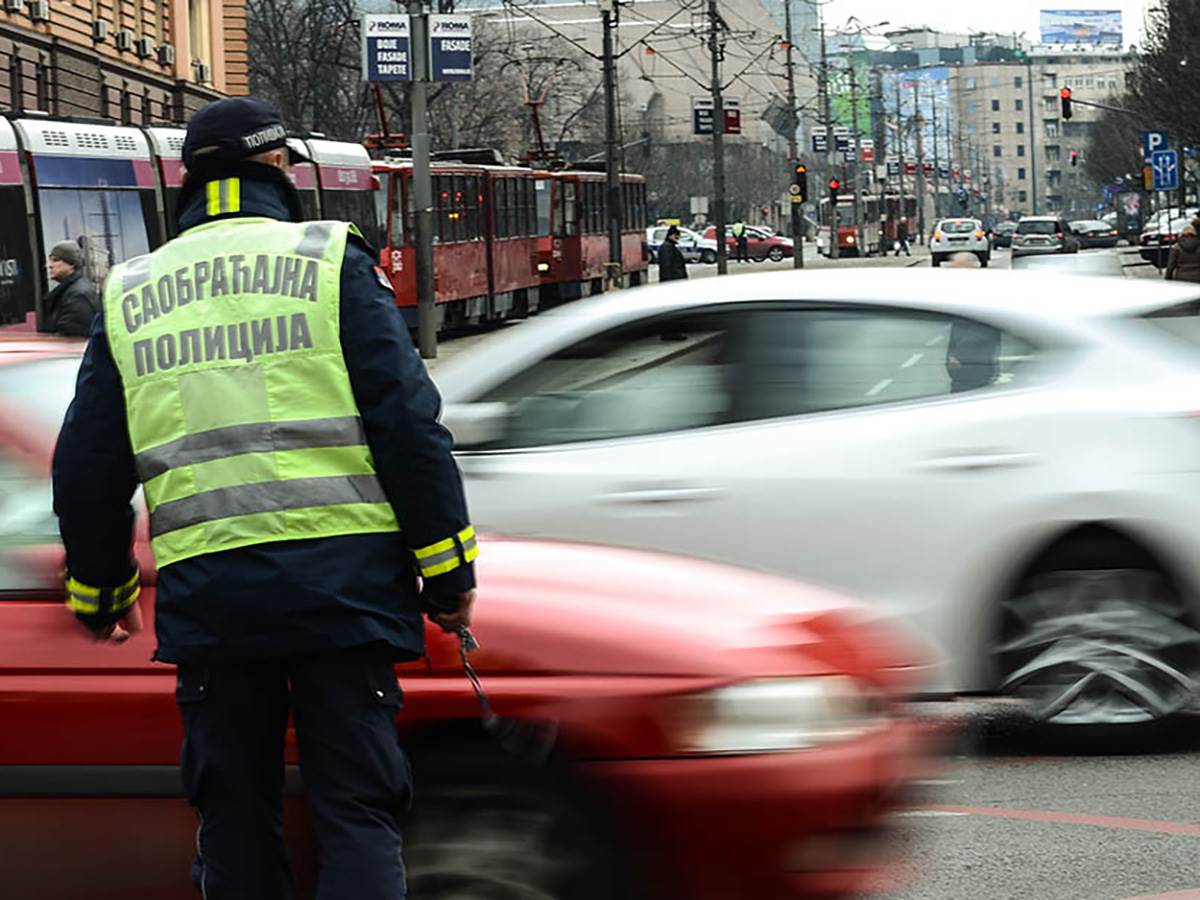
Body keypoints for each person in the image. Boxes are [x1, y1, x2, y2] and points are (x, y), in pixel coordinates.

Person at [52, 96, 477, 900]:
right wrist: (447, 571)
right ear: (277, 168)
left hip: (212, 598)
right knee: (357, 812)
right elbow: (407, 422)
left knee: (236, 818)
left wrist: (101, 589)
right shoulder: (327, 259)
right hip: (344, 592)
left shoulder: (131, 289)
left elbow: (87, 465)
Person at [44, 240, 99, 337]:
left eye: (55, 260)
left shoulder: (78, 296)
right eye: (50, 260)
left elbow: (71, 338)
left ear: (72, 264)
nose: (49, 266)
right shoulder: (69, 291)